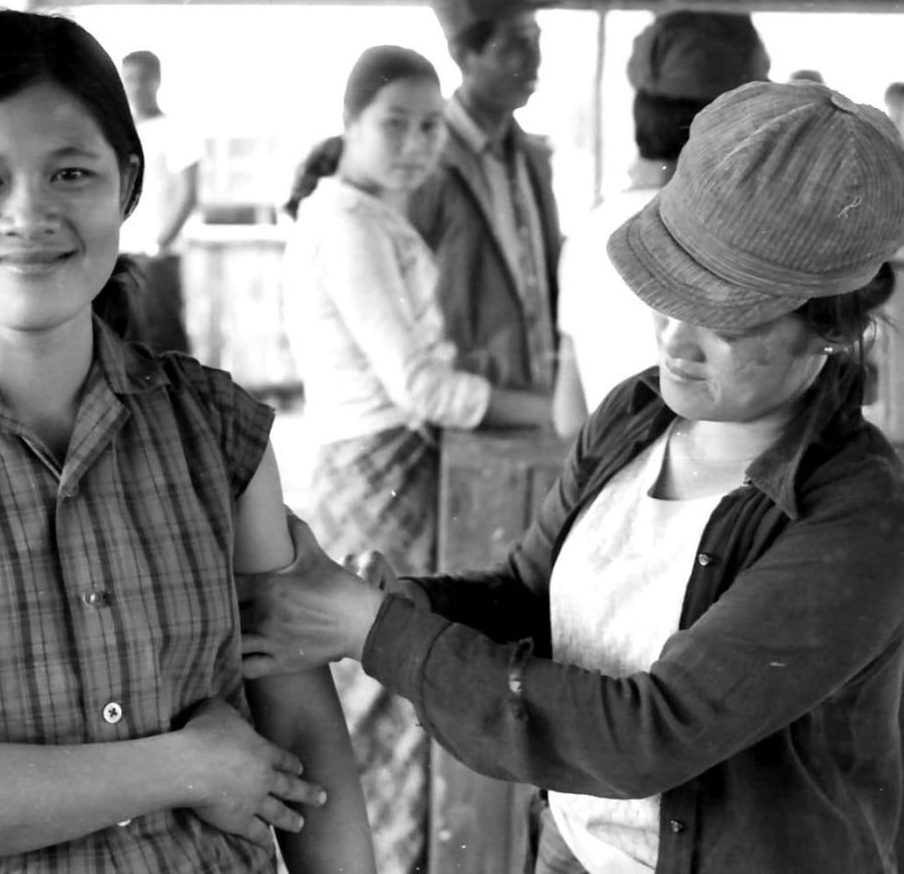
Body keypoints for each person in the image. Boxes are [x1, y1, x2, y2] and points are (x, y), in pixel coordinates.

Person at [238, 80, 904, 874]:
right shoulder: (636, 415)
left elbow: (645, 737)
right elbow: (527, 594)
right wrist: (402, 604)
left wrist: (374, 633)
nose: (674, 339)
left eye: (724, 319)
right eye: (668, 297)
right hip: (573, 845)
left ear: (828, 327)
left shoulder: (859, 521)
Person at [0, 9, 373, 874]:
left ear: (126, 186)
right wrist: (185, 766)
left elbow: (304, 735)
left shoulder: (214, 428)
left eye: (70, 173)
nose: (30, 214)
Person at [281, 43, 550, 874]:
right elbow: (422, 386)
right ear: (349, 124)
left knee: (386, 685)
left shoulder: (366, 214)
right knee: (380, 689)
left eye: (430, 127)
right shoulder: (347, 224)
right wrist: (550, 410)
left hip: (383, 463)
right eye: (393, 124)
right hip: (377, 468)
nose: (414, 144)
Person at [552, 11, 770, 437]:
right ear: (736, 117)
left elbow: (569, 418)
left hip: (616, 470)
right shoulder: (741, 236)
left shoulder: (588, 233)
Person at [409, 0, 562, 404]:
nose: (534, 59)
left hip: (538, 399)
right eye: (515, 43)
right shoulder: (427, 167)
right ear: (464, 56)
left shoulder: (532, 158)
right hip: (470, 409)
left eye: (536, 39)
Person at [118, 49, 198, 355]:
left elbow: (188, 194)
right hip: (120, 254)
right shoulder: (119, 133)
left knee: (164, 341)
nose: (137, 87)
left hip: (156, 257)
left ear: (157, 80)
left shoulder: (175, 130)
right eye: (130, 79)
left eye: (143, 79)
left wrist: (158, 245)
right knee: (125, 343)